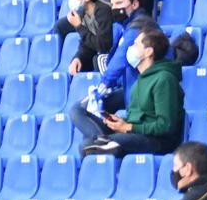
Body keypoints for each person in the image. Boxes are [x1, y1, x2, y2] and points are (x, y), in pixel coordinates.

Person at [73, 25, 184, 157]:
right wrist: (120, 122)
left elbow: (165, 125)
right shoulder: (139, 80)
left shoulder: (164, 79)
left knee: (89, 147)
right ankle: (102, 141)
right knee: (78, 111)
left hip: (157, 141)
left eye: (136, 45)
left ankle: (103, 142)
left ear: (148, 52)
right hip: (136, 132)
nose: (130, 48)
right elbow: (137, 118)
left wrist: (128, 127)